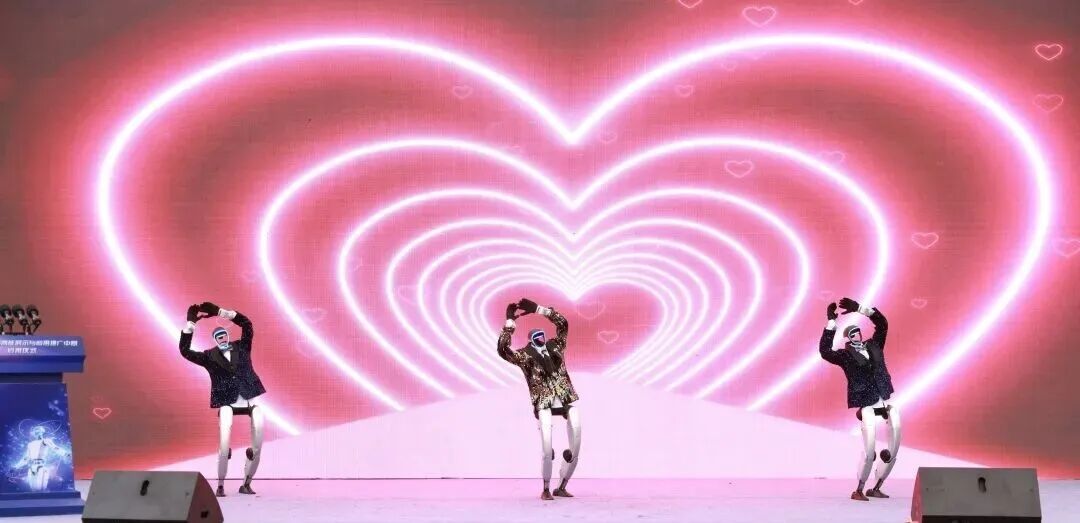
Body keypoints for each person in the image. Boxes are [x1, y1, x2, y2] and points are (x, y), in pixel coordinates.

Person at [497, 298, 581, 501]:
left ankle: (562, 485)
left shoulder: (556, 346)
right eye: (537, 337)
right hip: (543, 402)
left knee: (576, 441)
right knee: (546, 445)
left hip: (564, 398)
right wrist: (510, 323)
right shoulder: (525, 356)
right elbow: (503, 350)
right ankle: (546, 487)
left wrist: (539, 309)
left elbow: (563, 324)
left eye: (542, 335)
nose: (541, 338)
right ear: (531, 340)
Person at [179, 302, 266, 497]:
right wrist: (190, 325)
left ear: (227, 335)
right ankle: (220, 484)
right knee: (224, 443)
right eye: (218, 337)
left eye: (223, 335)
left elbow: (247, 324)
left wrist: (222, 312)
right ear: (215, 340)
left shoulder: (241, 347)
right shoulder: (209, 356)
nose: (222, 339)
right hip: (227, 401)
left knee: (258, 439)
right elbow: (185, 351)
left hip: (248, 398)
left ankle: (247, 482)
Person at [819, 297, 901, 501]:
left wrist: (861, 309)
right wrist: (831, 323)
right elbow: (825, 352)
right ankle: (860, 488)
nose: (856, 335)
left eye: (858, 332)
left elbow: (882, 324)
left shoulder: (874, 345)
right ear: (848, 337)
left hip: (882, 396)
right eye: (852, 333)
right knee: (870, 448)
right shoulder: (845, 356)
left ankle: (878, 485)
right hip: (866, 401)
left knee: (894, 444)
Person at [10, 424, 70, 491]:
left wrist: (65, 453)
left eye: (39, 431)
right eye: (35, 431)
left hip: (41, 467)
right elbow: (26, 458)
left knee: (40, 488)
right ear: (33, 433)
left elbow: (55, 448)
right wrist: (16, 467)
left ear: (42, 432)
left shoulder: (46, 441)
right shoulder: (30, 444)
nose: (37, 432)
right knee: (33, 489)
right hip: (32, 468)